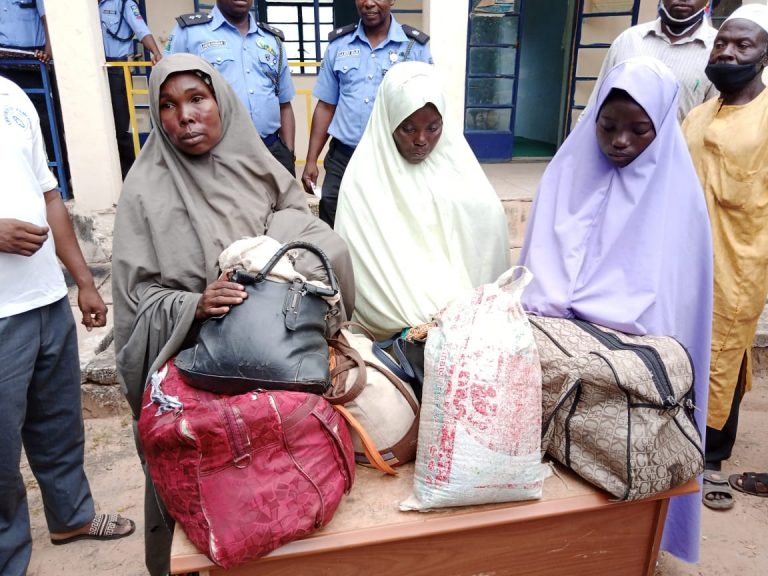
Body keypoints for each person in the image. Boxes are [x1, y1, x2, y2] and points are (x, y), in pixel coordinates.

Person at [112, 53, 354, 576]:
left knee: (292, 495)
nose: (185, 116)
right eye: (168, 106)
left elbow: (308, 234)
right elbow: (135, 303)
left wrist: (271, 255)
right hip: (197, 368)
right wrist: (192, 305)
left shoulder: (257, 166)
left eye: (197, 99)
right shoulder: (144, 190)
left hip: (279, 357)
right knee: (212, 510)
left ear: (220, 101)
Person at [520, 57, 713, 563]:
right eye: (607, 127)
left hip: (629, 383)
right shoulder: (566, 172)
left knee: (616, 481)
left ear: (663, 126)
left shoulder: (680, 203)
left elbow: (671, 316)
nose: (619, 141)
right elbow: (536, 273)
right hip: (559, 358)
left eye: (638, 130)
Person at [0, 74, 134, 576]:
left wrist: (83, 282)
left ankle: (71, 518)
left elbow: (50, 196)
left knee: (58, 424)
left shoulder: (12, 96)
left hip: (45, 300)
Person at [335, 61, 509, 340]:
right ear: (388, 121)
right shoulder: (364, 180)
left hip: (457, 315)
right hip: (397, 328)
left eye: (434, 127)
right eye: (408, 128)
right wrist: (425, 314)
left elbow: (487, 226)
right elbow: (369, 273)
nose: (421, 140)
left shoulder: (459, 169)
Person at [682, 4, 768, 508]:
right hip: (690, 253)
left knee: (725, 351)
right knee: (691, 344)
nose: (729, 52)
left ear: (764, 55)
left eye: (744, 46)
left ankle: (712, 454)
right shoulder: (698, 114)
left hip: (742, 257)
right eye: (723, 44)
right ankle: (685, 431)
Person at [301, 0, 433, 226]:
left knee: (386, 222)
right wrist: (311, 159)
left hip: (391, 157)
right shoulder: (339, 45)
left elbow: (429, 109)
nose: (369, 3)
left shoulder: (414, 47)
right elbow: (326, 106)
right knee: (333, 213)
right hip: (343, 156)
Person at [165, 0, 297, 175]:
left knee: (280, 203)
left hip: (271, 151)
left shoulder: (271, 39)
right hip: (216, 155)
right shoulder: (189, 33)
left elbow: (284, 104)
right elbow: (167, 99)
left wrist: (288, 153)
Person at [582, 0, 717, 123]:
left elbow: (712, 125)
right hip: (616, 147)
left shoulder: (717, 50)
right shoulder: (629, 40)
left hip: (677, 150)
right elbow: (594, 107)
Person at [0, 0, 68, 175]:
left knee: (45, 120)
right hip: (4, 62)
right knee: (9, 121)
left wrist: (48, 51)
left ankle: (60, 176)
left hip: (34, 61)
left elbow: (48, 19)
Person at [98, 0, 162, 179]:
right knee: (100, 124)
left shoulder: (124, 3)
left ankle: (130, 174)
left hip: (118, 70)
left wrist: (156, 53)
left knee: (121, 124)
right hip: (95, 71)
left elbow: (141, 29)